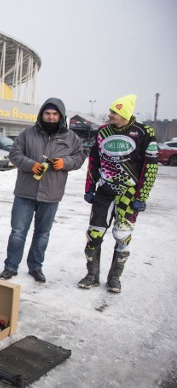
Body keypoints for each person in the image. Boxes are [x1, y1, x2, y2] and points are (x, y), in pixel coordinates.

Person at [0, 98, 86, 283]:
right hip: (25, 192)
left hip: (51, 193)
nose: (51, 117)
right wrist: (30, 165)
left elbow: (79, 157)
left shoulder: (71, 138)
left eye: (55, 114)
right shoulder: (28, 133)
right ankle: (10, 266)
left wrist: (65, 163)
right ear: (41, 114)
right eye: (47, 113)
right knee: (18, 231)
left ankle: (36, 267)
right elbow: (14, 153)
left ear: (61, 116)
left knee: (43, 233)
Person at [77, 94, 158, 293]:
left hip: (128, 194)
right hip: (104, 192)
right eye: (111, 111)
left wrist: (142, 196)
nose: (110, 114)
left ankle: (114, 278)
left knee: (122, 235)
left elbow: (151, 167)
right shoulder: (103, 131)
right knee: (93, 234)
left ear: (124, 113)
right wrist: (89, 188)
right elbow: (93, 162)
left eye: (114, 112)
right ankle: (91, 275)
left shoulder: (144, 132)